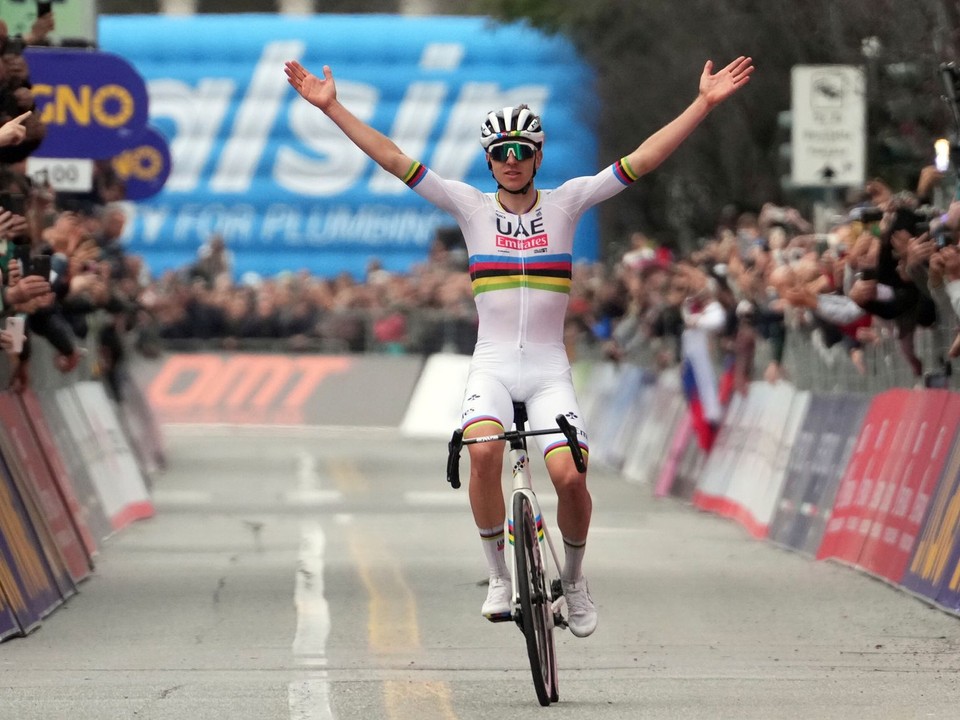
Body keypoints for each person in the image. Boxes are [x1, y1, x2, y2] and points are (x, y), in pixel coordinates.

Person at [285, 54, 754, 637]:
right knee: (482, 453)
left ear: (537, 156)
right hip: (494, 367)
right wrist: (333, 110)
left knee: (571, 481)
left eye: (521, 151)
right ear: (489, 161)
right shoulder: (469, 207)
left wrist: (703, 104)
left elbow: (644, 159)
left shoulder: (569, 201)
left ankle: (575, 581)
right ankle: (499, 577)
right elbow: (392, 158)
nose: (511, 161)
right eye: (500, 153)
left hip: (549, 371)